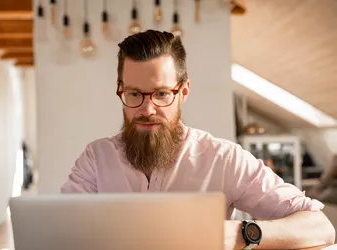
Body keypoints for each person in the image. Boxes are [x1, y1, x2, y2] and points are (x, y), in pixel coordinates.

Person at [61, 30, 335, 249]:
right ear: (120, 91)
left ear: (183, 91)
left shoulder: (224, 158)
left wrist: (242, 234)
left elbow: (320, 228)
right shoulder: (96, 159)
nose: (146, 109)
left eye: (161, 94)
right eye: (134, 94)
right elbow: (58, 232)